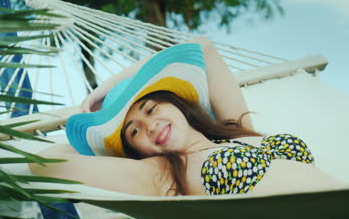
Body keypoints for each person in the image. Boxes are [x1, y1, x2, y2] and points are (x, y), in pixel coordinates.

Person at [29, 37, 346, 196]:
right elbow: (44, 162)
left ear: (177, 104)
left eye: (151, 108)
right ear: (134, 151)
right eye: (133, 132)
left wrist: (108, 86)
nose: (150, 125)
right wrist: (97, 135)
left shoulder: (238, 130)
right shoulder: (162, 175)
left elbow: (202, 47)